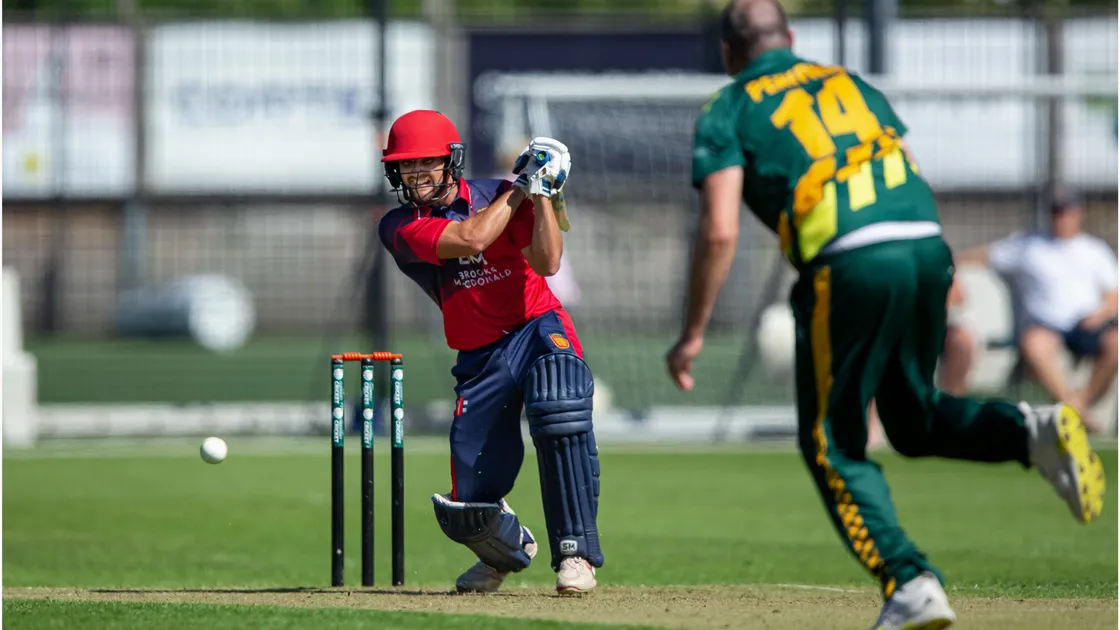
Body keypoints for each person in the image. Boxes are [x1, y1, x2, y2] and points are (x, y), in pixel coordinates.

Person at [663, 2, 1106, 628]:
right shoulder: (849, 83)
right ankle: (1030, 432)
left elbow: (719, 231)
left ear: (729, 53)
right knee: (912, 418)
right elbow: (902, 163)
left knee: (831, 442)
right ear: (790, 38)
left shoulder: (728, 107)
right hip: (926, 242)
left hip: (850, 262)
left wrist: (692, 333)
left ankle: (910, 582)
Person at [378, 110, 603, 594]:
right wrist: (520, 186)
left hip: (536, 327)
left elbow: (547, 262)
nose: (416, 176)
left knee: (559, 408)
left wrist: (542, 194)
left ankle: (576, 554)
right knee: (469, 505)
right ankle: (505, 553)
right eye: (406, 167)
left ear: (450, 162)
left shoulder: (498, 193)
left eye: (426, 164)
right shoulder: (399, 225)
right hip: (480, 353)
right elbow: (472, 238)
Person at [956, 191, 1118, 433]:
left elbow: (1113, 295)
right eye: (1057, 213)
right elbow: (986, 255)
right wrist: (949, 261)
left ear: (1078, 215)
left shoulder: (1095, 249)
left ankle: (1076, 406)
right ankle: (1075, 410)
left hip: (1087, 324)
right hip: (1047, 325)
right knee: (1035, 344)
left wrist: (1099, 315)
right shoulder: (1028, 245)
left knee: (1115, 343)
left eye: (1067, 213)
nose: (1062, 219)